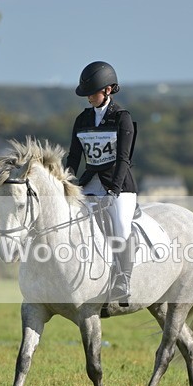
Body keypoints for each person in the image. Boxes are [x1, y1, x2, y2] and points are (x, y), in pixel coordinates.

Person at [66, 61, 138, 303]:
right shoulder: (82, 119)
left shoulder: (122, 119)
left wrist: (113, 192)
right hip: (89, 183)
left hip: (119, 186)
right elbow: (74, 157)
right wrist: (66, 185)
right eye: (86, 94)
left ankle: (123, 280)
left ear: (107, 90)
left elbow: (123, 159)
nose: (88, 98)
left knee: (120, 225)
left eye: (92, 93)